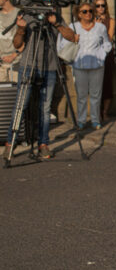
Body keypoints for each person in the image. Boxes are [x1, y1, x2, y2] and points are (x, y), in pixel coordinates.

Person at [5, 10, 76, 159]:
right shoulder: (27, 14)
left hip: (49, 67)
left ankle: (43, 144)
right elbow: (17, 44)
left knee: (45, 108)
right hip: (29, 66)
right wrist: (21, 29)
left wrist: (56, 23)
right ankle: (10, 143)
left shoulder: (54, 16)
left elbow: (72, 37)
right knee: (21, 104)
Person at [59, 2, 112, 130]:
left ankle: (95, 119)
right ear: (79, 14)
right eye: (84, 11)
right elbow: (62, 43)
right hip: (79, 64)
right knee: (81, 95)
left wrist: (102, 54)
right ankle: (81, 120)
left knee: (96, 94)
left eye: (90, 11)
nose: (88, 14)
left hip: (97, 65)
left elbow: (107, 43)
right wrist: (73, 40)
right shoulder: (73, 27)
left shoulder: (100, 27)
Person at [93, 0, 115, 121]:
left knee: (107, 84)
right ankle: (96, 113)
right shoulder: (91, 20)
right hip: (94, 55)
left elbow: (109, 39)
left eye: (103, 5)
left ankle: (105, 112)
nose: (100, 8)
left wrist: (101, 28)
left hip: (106, 55)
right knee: (95, 85)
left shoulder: (110, 21)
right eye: (98, 6)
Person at [0, 0, 21, 82]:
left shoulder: (19, 14)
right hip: (1, 66)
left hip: (16, 64)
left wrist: (13, 55)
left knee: (16, 94)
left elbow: (25, 38)